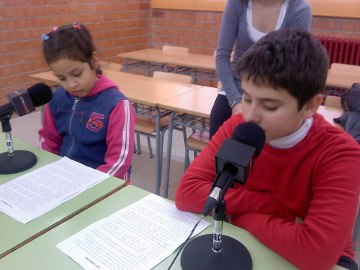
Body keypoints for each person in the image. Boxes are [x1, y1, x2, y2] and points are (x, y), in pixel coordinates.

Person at [176, 28, 360, 270]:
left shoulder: (341, 153)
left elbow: (316, 255)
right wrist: (272, 209)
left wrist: (237, 214)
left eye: (270, 106)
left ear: (310, 105)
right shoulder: (237, 126)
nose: (250, 115)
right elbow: (187, 193)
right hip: (250, 241)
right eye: (247, 98)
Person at [39, 22, 135, 181]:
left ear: (93, 61)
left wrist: (88, 185)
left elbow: (120, 160)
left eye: (77, 74)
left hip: (105, 184)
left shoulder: (116, 105)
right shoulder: (57, 98)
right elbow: (48, 139)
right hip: (66, 178)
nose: (71, 85)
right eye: (62, 78)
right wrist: (52, 170)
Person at [210, 0, 312, 139]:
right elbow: (222, 57)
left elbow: (296, 65)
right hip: (235, 90)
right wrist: (235, 102)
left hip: (276, 92)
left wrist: (269, 102)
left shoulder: (298, 8)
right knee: (218, 124)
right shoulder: (237, 4)